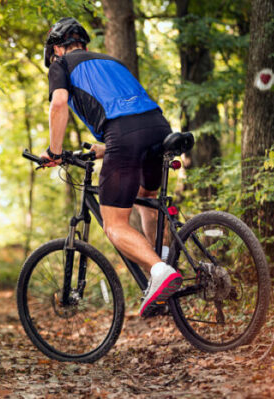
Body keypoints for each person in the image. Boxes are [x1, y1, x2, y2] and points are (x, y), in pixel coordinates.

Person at [39, 17, 182, 317]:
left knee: (114, 224)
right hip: (158, 127)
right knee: (147, 198)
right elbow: (134, 111)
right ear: (83, 43)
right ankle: (166, 261)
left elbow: (59, 104)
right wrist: (106, 149)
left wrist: (54, 151)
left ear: (56, 49)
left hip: (124, 134)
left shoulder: (61, 66)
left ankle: (159, 271)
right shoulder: (111, 61)